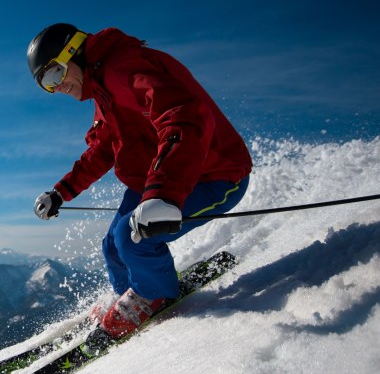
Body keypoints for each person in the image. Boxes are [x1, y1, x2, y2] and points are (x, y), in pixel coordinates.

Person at [28, 23, 253, 339]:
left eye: (54, 75)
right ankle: (135, 294)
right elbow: (101, 150)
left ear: (72, 52)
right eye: (46, 86)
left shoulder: (124, 70)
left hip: (212, 174)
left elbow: (183, 115)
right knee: (114, 247)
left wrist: (165, 192)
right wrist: (61, 192)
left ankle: (154, 295)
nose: (57, 88)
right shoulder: (104, 91)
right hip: (157, 180)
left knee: (134, 238)